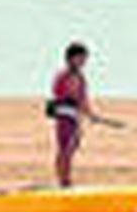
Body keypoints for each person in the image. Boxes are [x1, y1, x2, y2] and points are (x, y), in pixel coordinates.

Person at [48, 42, 114, 187]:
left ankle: (64, 178)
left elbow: (82, 98)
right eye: (81, 58)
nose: (84, 62)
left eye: (85, 59)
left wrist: (90, 114)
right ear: (72, 58)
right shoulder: (66, 75)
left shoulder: (77, 76)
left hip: (71, 116)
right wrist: (85, 110)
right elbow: (69, 95)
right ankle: (64, 180)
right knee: (66, 149)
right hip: (66, 116)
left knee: (68, 148)